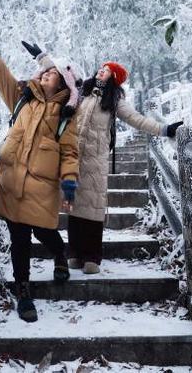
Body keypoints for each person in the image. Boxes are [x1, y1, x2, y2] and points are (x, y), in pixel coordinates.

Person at [22, 42, 182, 274]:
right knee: (75, 207)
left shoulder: (115, 101)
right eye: (101, 68)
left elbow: (137, 119)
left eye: (106, 70)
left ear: (113, 77)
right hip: (73, 156)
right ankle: (74, 254)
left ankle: (92, 258)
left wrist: (164, 129)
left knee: (93, 208)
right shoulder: (81, 92)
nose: (101, 70)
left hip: (96, 159)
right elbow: (61, 79)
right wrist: (42, 58)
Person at [0, 30, 82, 323]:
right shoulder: (22, 100)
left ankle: (59, 253)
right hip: (11, 183)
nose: (44, 74)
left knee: (44, 233)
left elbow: (70, 153)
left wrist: (69, 181)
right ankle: (23, 291)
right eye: (44, 72)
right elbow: (2, 77)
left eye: (51, 73)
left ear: (64, 84)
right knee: (19, 238)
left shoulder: (65, 116)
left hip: (41, 189)